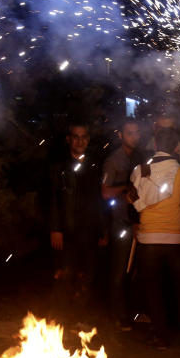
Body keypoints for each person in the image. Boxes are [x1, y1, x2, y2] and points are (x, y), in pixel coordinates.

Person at [129, 127, 180, 350]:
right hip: (175, 240)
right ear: (176, 147)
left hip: (148, 239)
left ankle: (160, 336)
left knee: (153, 290)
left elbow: (131, 197)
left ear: (154, 145)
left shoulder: (139, 170)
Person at [49, 122, 108, 320]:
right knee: (65, 275)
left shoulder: (94, 165)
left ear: (88, 139)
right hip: (67, 232)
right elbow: (53, 198)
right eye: (76, 136)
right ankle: (61, 319)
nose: (80, 141)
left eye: (83, 137)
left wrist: (102, 230)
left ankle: (78, 319)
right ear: (69, 139)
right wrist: (56, 228)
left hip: (89, 232)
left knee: (86, 277)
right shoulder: (59, 167)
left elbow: (99, 200)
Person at [101, 117, 143, 330]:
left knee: (132, 271)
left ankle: (130, 311)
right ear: (120, 135)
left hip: (137, 222)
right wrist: (124, 188)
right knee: (118, 271)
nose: (134, 137)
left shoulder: (139, 157)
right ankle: (117, 315)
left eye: (136, 133)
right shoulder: (113, 160)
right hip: (120, 224)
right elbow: (105, 191)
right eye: (129, 133)